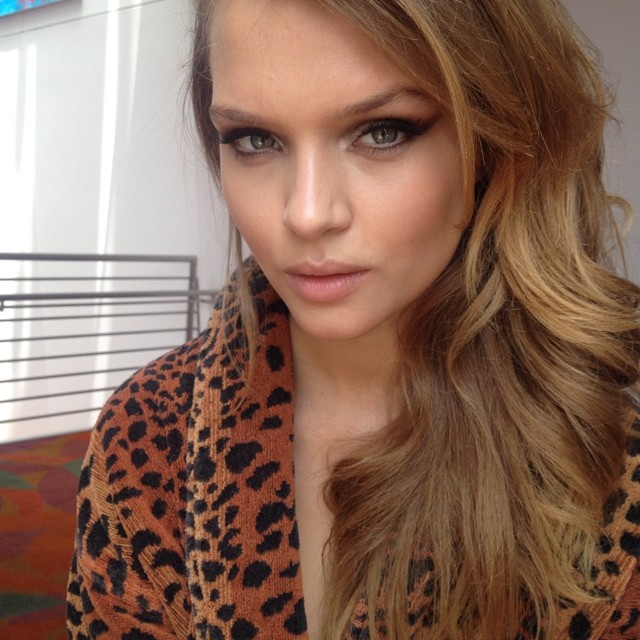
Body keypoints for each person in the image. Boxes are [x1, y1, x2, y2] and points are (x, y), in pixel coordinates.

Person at [66, 0, 640, 638]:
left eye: (383, 132)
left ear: (492, 143)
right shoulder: (148, 433)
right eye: (255, 139)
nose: (308, 214)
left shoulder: (606, 460)